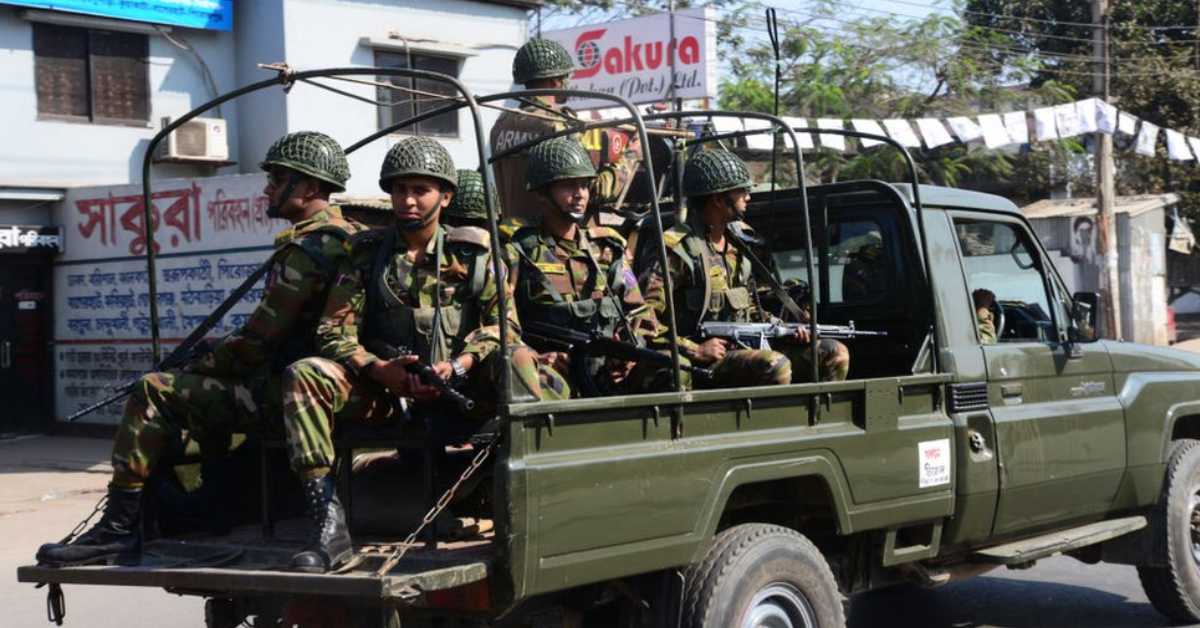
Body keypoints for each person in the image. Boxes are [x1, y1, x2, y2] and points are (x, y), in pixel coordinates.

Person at [37, 131, 364, 567]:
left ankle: (119, 530)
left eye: (278, 178)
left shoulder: (314, 246)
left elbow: (258, 340)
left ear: (308, 187)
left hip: (290, 394)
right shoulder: (345, 237)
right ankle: (201, 508)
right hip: (313, 388)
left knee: (156, 390)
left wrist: (203, 362)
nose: (267, 188)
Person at [280, 137, 559, 572]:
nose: (408, 200)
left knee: (518, 357)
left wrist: (461, 364)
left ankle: (524, 509)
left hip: (462, 394)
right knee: (305, 374)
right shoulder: (366, 254)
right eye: (399, 189)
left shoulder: (477, 254)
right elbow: (334, 331)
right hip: (385, 394)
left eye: (420, 190)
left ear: (445, 196)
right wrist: (379, 369)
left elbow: (502, 327)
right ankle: (328, 528)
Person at [639, 149, 850, 387]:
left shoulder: (740, 246)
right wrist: (694, 348)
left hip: (743, 348)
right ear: (718, 199)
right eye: (742, 191)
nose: (748, 197)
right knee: (775, 365)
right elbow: (643, 320)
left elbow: (749, 308)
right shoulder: (677, 250)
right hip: (701, 360)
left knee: (834, 353)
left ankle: (821, 421)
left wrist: (787, 329)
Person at [506, 137, 677, 396]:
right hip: (555, 368)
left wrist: (631, 349)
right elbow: (503, 324)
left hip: (608, 366)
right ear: (542, 193)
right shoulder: (518, 250)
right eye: (568, 186)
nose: (579, 194)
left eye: (584, 185)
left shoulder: (607, 247)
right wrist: (535, 356)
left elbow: (638, 310)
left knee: (673, 367)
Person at [490, 38, 637, 227]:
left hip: (512, 236)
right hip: (551, 239)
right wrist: (631, 155)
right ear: (556, 80)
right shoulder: (557, 125)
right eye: (566, 77)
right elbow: (594, 190)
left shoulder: (501, 125)